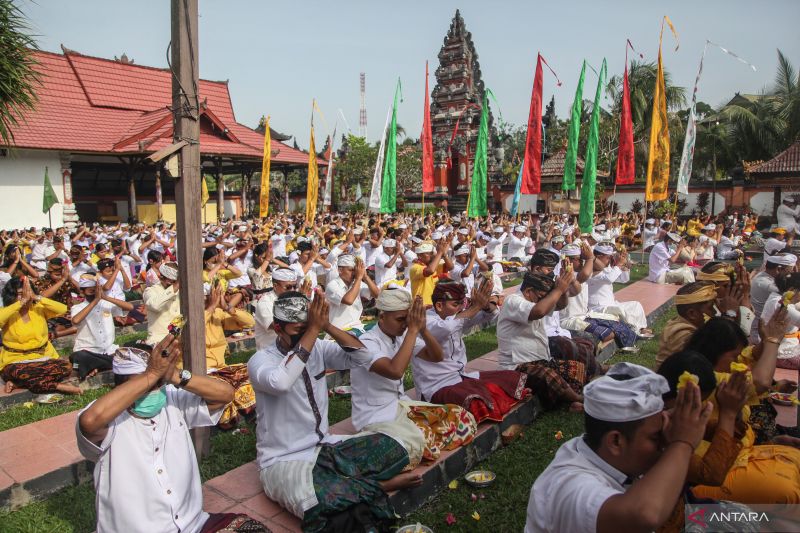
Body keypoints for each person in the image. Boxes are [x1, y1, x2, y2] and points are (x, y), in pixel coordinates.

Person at [248, 292, 422, 532]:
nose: (306, 336)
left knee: (398, 447)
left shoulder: (319, 347)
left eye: (309, 327)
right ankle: (379, 485)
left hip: (326, 447)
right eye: (299, 330)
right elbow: (280, 382)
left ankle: (353, 485)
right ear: (277, 328)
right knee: (317, 500)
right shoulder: (260, 361)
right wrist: (312, 332)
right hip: (284, 461)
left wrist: (327, 325)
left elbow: (362, 356)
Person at [76, 338, 268, 533]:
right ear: (121, 388)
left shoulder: (171, 401)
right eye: (144, 385)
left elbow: (225, 394)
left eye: (158, 383)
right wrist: (151, 374)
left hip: (193, 526)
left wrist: (174, 375)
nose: (153, 390)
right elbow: (90, 421)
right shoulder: (110, 419)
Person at [525, 362, 713, 533]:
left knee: (736, 517)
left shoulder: (600, 453)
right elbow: (644, 515)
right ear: (615, 441)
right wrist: (682, 444)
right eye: (656, 437)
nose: (663, 442)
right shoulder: (570, 487)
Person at [352, 288, 477, 466]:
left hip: (402, 406)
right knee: (418, 441)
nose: (405, 325)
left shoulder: (403, 335)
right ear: (381, 316)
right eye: (400, 320)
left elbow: (436, 356)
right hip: (374, 415)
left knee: (461, 418)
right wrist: (412, 331)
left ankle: (418, 440)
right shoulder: (367, 342)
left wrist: (424, 329)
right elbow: (395, 371)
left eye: (407, 319)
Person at [418, 280, 529, 422]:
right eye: (456, 304)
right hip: (436, 386)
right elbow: (447, 328)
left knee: (510, 378)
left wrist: (486, 305)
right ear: (439, 305)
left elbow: (490, 315)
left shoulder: (454, 315)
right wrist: (474, 307)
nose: (460, 308)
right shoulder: (425, 320)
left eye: (462, 303)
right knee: (477, 401)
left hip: (461, 376)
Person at [497, 271, 586, 410]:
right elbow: (539, 311)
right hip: (516, 366)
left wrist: (562, 291)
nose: (543, 300)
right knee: (547, 376)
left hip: (539, 360)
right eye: (540, 297)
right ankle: (577, 399)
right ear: (528, 291)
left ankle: (567, 400)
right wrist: (558, 289)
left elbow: (560, 305)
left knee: (576, 367)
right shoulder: (513, 301)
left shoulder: (536, 300)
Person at [0, 276, 80, 395]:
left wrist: (36, 297)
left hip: (43, 356)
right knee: (21, 372)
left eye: (27, 293)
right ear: (12, 296)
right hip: (15, 361)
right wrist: (20, 303)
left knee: (66, 367)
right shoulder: (7, 311)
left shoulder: (38, 308)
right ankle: (57, 386)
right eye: (20, 294)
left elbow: (62, 309)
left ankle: (18, 383)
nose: (25, 297)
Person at [71, 274, 134, 380]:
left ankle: (94, 366)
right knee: (78, 357)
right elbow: (76, 321)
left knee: (129, 353)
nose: (94, 293)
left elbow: (130, 307)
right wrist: (95, 301)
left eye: (95, 290)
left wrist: (105, 297)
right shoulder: (77, 307)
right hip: (88, 351)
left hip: (108, 351)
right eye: (90, 291)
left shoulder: (105, 303)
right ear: (82, 292)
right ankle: (96, 365)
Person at [587, 243, 650, 335]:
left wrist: (625, 267)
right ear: (599, 256)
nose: (610, 260)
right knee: (621, 311)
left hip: (611, 304)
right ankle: (636, 332)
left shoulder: (606, 268)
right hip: (598, 308)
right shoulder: (590, 269)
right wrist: (619, 265)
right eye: (608, 257)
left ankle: (641, 328)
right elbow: (609, 279)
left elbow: (623, 280)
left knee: (636, 305)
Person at [655, 281, 719, 368]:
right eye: (711, 308)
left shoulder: (686, 323)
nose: (715, 312)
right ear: (692, 314)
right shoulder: (680, 333)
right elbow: (710, 355)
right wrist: (729, 314)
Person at [324, 254, 379, 335]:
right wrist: (359, 278)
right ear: (340, 270)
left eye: (355, 270)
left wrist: (366, 277)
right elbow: (348, 300)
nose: (354, 273)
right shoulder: (332, 285)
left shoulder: (356, 283)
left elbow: (377, 294)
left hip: (356, 327)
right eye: (351, 270)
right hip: (339, 331)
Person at [750, 253, 796, 341]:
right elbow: (791, 294)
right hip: (761, 333)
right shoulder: (766, 283)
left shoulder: (765, 276)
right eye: (790, 271)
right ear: (778, 269)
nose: (792, 274)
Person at [761, 272, 800, 369]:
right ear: (792, 290)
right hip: (784, 354)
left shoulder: (775, 297)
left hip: (780, 350)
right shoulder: (782, 305)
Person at [142, 262, 181, 347]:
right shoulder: (150, 291)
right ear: (160, 277)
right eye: (170, 282)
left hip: (178, 340)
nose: (172, 284)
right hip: (158, 341)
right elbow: (155, 306)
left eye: (174, 281)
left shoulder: (181, 292)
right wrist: (175, 286)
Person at [410, 240, 450, 306]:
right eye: (429, 253)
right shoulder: (415, 267)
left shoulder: (433, 266)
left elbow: (450, 267)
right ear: (419, 256)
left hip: (433, 305)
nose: (431, 255)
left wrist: (444, 254)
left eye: (432, 253)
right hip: (421, 307)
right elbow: (430, 271)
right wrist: (439, 253)